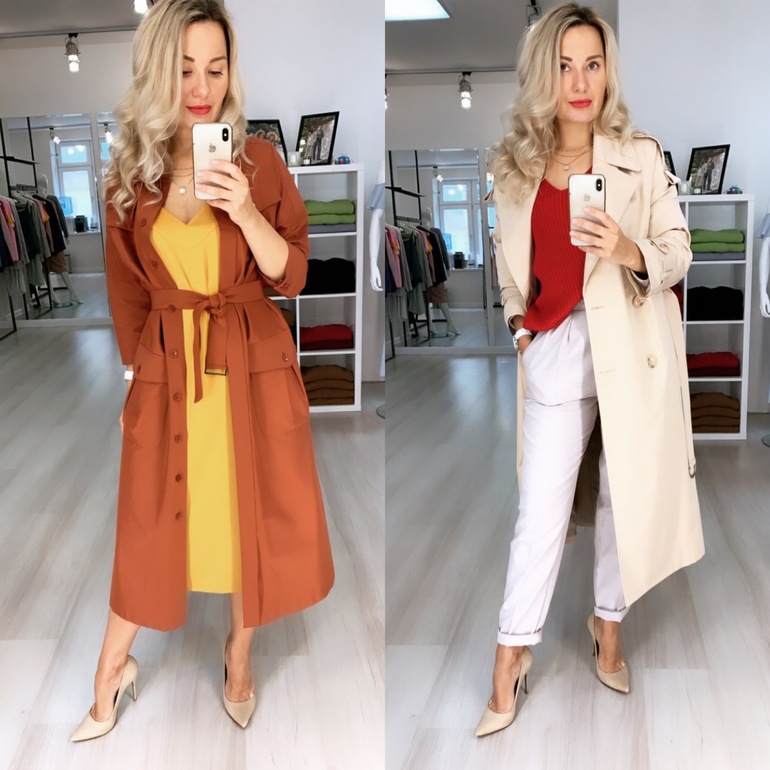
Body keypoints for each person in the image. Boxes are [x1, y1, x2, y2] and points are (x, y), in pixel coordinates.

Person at [71, 0, 334, 742]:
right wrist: (134, 382)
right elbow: (128, 295)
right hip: (168, 366)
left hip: (250, 363)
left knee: (251, 512)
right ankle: (111, 668)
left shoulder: (260, 163)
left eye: (216, 69)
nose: (201, 87)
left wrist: (246, 211)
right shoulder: (131, 174)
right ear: (157, 72)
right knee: (150, 518)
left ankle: (239, 656)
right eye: (184, 69)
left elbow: (294, 275)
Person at [476, 3, 704, 738]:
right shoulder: (513, 169)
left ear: (608, 73)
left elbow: (679, 249)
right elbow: (510, 273)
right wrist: (519, 328)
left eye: (592, 64)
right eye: (564, 66)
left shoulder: (642, 156)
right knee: (540, 511)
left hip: (630, 344)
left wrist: (626, 248)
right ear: (544, 75)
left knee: (618, 496)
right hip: (554, 349)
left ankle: (608, 627)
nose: (579, 82)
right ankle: (510, 653)